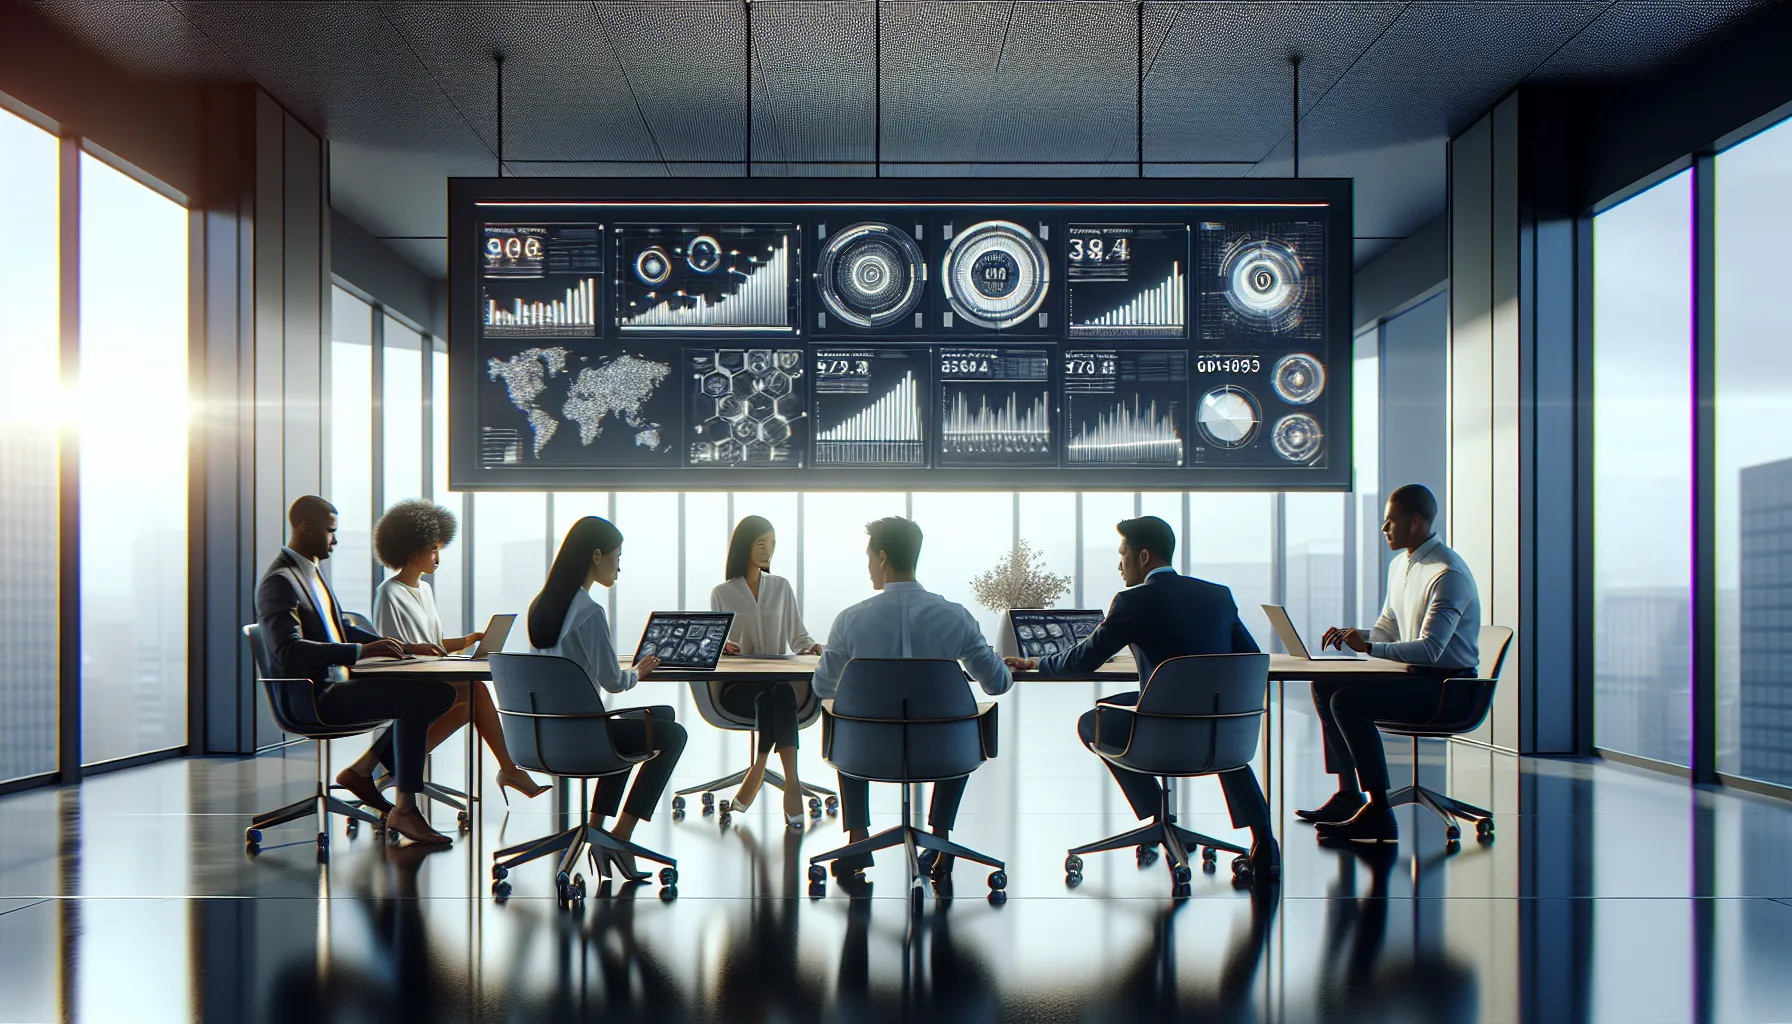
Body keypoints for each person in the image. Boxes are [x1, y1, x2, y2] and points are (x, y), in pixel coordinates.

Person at [1005, 515, 1280, 879]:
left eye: (1123, 554)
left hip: (1161, 738)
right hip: (1219, 738)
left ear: (1144, 556)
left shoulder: (1132, 602)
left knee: (1094, 720)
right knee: (1218, 716)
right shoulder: (1218, 596)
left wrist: (1037, 662)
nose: (1120, 565)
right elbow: (1250, 658)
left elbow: (1083, 659)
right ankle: (1264, 842)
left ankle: (1157, 814)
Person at [812, 517, 1011, 884]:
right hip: (946, 752)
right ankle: (941, 840)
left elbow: (823, 686)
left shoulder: (850, 620)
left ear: (882, 557)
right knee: (959, 717)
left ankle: (858, 839)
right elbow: (997, 684)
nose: (869, 566)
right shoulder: (956, 617)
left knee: (847, 714)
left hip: (864, 753)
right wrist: (1000, 662)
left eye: (869, 557)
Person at [256, 495, 456, 844]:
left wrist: (405, 647)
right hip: (313, 697)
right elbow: (288, 650)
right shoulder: (280, 581)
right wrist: (360, 652)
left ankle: (364, 772)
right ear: (306, 528)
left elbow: (339, 628)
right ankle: (405, 809)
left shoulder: (311, 574)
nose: (334, 540)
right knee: (415, 700)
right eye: (330, 531)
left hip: (336, 686)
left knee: (441, 694)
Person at [337, 499, 549, 804]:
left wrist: (465, 641)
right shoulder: (390, 593)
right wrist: (435, 656)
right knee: (475, 691)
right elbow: (397, 650)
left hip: (430, 674)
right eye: (433, 549)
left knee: (472, 700)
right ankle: (507, 770)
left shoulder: (425, 590)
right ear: (412, 550)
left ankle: (386, 764)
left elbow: (431, 643)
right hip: (408, 682)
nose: (438, 558)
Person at [1302, 483, 1481, 844]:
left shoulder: (1448, 574)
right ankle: (1349, 795)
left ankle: (1379, 813)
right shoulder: (1400, 565)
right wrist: (1356, 635)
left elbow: (1431, 650)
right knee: (1325, 685)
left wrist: (1368, 647)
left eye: (1390, 521)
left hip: (1447, 689)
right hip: (1413, 678)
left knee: (1348, 701)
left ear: (1414, 521)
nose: (1384, 528)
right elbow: (1389, 627)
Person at [528, 516, 688, 879]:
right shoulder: (588, 611)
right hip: (583, 737)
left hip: (546, 734)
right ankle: (620, 836)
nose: (619, 566)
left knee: (657, 717)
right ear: (596, 555)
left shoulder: (542, 605)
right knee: (672, 734)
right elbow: (613, 682)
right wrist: (639, 672)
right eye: (617, 557)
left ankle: (599, 830)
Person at [709, 515, 821, 828]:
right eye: (761, 544)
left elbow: (798, 636)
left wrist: (810, 646)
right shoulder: (722, 593)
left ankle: (765, 770)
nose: (768, 551)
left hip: (776, 683)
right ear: (744, 546)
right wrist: (724, 645)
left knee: (779, 691)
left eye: (772, 544)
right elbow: (714, 642)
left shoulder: (781, 587)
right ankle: (780, 777)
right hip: (738, 687)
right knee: (774, 695)